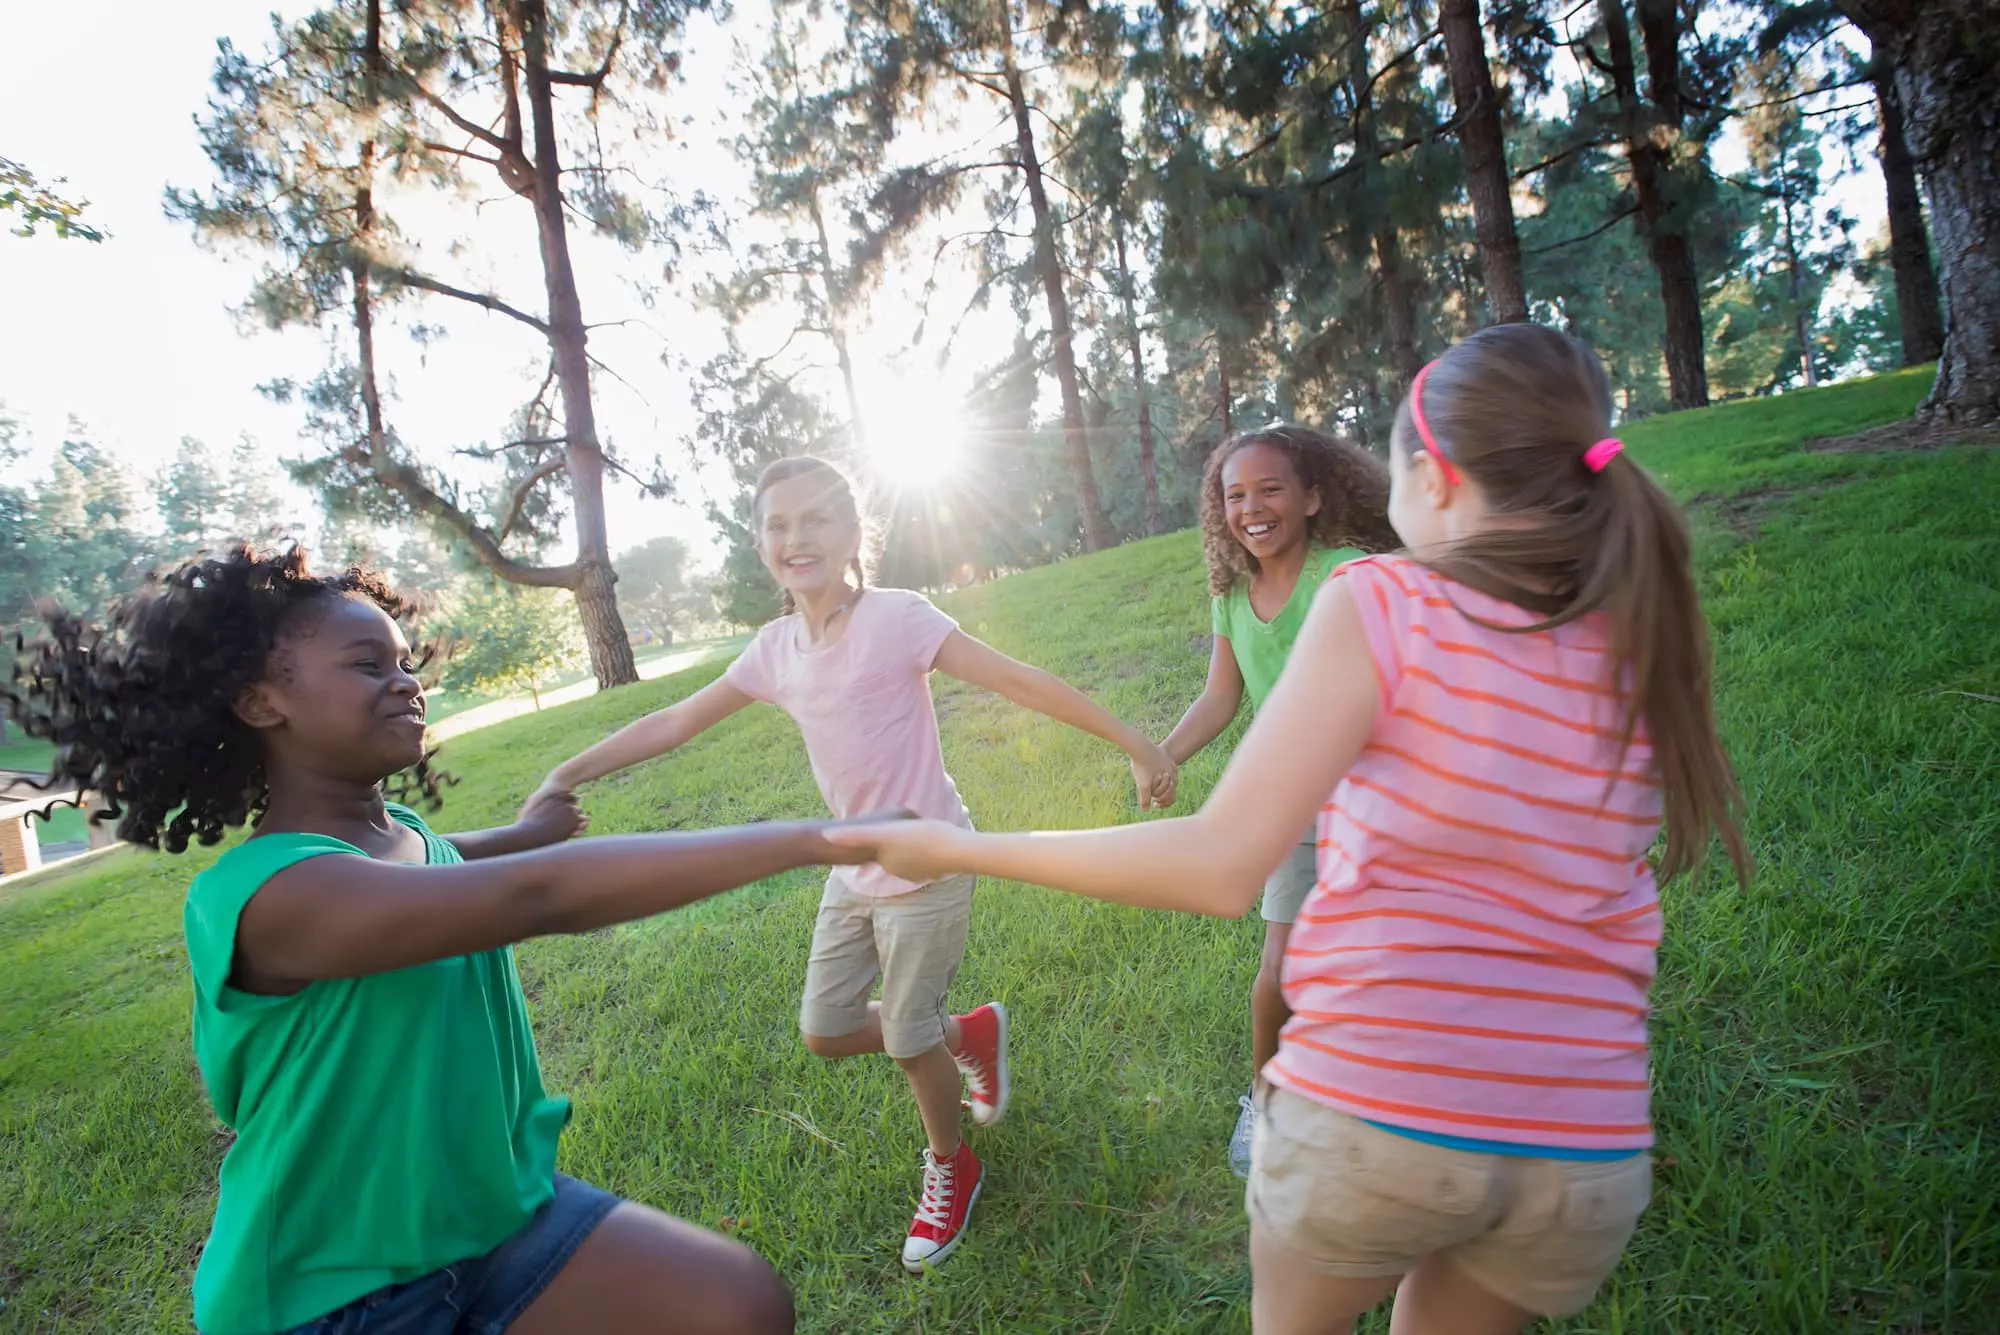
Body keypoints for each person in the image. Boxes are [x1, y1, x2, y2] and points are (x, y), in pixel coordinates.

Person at [827, 324, 1752, 1334]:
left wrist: (953, 846)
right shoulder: (1638, 627)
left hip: (1380, 1119)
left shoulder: (1375, 593)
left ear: (1431, 481)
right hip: (1585, 1156)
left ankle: (1263, 1104)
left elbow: (1221, 865)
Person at [5, 546, 895, 1335]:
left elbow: (442, 858)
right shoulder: (268, 894)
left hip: (490, 1215)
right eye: (366, 664)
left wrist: (525, 829)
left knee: (739, 1303)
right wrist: (818, 837)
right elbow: (531, 898)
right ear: (258, 699)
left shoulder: (391, 835)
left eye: (404, 661)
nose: (406, 681)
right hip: (332, 1294)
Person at [532, 455, 1177, 1275]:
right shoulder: (773, 651)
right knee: (826, 1029)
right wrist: (568, 772)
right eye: (778, 524)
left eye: (816, 520)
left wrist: (1137, 740)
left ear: (852, 533)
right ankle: (968, 1033)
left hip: (931, 860)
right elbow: (675, 720)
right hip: (851, 867)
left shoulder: (898, 618)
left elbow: (1016, 678)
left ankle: (953, 1162)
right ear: (761, 542)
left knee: (907, 1044)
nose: (796, 538)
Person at [1160, 424, 1399, 1176]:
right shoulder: (1231, 596)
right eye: (1235, 495)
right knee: (1282, 963)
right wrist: (1167, 754)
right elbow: (1221, 695)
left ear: (1313, 496)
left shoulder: (1349, 573)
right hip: (1292, 803)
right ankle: (1264, 1100)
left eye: (1270, 489)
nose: (1252, 508)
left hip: (1378, 799)